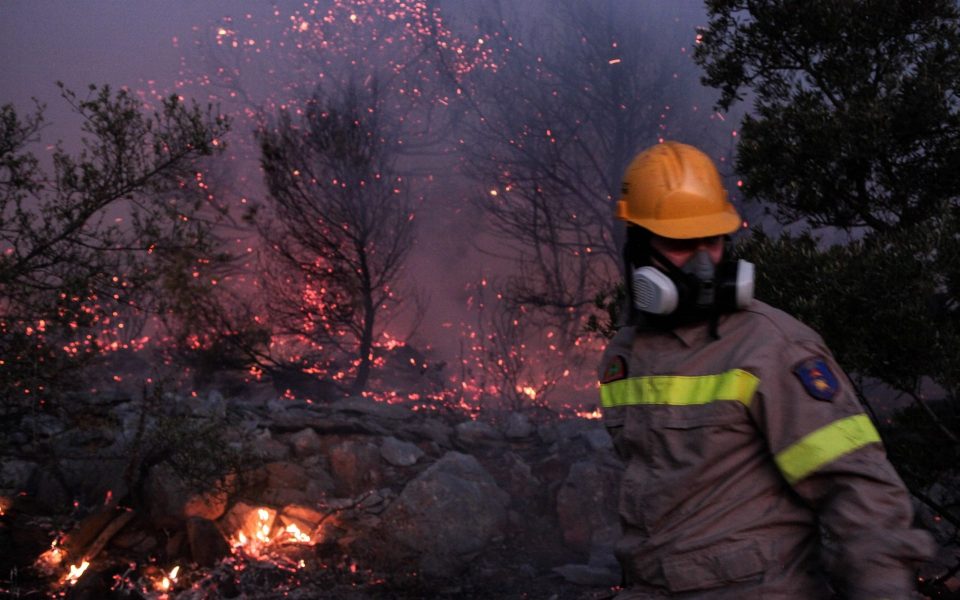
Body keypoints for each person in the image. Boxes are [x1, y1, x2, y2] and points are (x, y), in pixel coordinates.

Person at [598, 141, 934, 599]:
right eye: (679, 243)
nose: (703, 262)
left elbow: (858, 491)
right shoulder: (625, 353)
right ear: (638, 247)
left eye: (712, 241)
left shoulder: (773, 347)